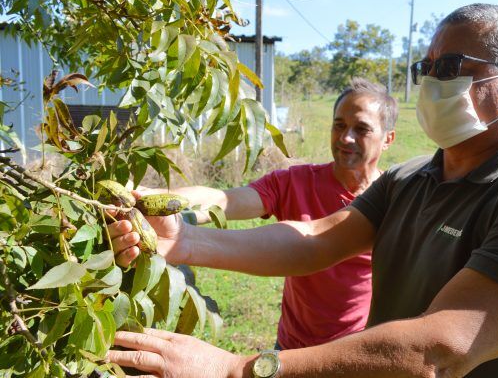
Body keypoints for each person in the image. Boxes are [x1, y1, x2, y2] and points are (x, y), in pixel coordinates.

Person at [107, 3, 498, 377]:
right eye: (424, 68)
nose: (430, 81)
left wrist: (241, 368)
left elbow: (436, 350)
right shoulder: (410, 179)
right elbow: (318, 237)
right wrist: (184, 243)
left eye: (450, 68)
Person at [140, 78, 398, 350]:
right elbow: (224, 200)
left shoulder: (394, 202)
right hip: (290, 347)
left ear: (387, 139)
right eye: (339, 125)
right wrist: (156, 201)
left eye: (361, 129)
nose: (346, 137)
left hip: (348, 352)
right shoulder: (295, 182)